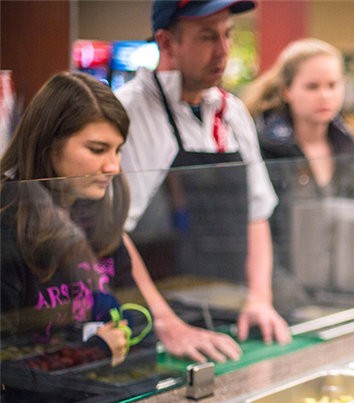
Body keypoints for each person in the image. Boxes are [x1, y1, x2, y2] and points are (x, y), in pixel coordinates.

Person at [116, 0, 291, 363]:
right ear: (166, 43)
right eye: (207, 37)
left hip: (230, 313)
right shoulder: (127, 112)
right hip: (156, 327)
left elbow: (256, 215)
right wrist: (166, 322)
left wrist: (259, 298)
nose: (224, 50)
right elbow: (112, 233)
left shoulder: (233, 112)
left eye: (227, 34)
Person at [1, 72, 133, 366]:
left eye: (118, 150)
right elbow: (10, 370)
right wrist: (94, 352)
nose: (112, 166)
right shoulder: (8, 231)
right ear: (50, 145)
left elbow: (134, 316)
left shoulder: (101, 222)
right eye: (97, 149)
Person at [240, 38, 354, 310]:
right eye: (312, 86)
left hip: (346, 297)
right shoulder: (264, 148)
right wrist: (294, 303)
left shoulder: (349, 147)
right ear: (287, 90)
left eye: (333, 85)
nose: (325, 95)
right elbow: (260, 238)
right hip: (286, 303)